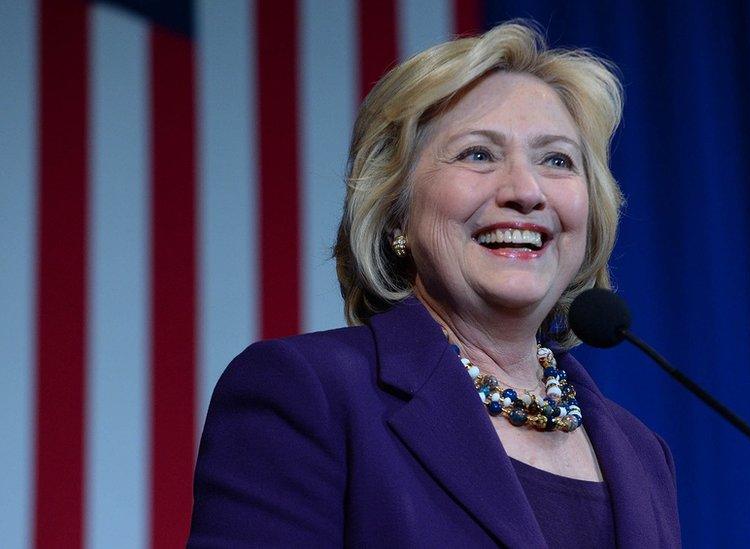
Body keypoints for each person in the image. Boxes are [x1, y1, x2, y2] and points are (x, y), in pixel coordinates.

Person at [188, 22, 680, 548]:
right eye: (478, 154)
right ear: (396, 210)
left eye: (556, 160)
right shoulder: (309, 394)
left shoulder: (641, 452)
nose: (526, 190)